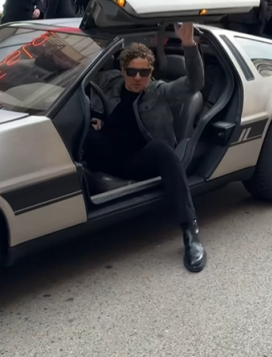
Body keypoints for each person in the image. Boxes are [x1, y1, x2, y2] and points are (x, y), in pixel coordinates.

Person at [86, 23, 206, 272]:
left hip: (138, 160)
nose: (138, 77)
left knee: (162, 150)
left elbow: (194, 83)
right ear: (123, 71)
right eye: (132, 72)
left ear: (151, 72)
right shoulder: (110, 81)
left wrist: (189, 44)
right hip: (108, 155)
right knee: (82, 131)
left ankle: (190, 231)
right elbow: (85, 83)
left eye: (144, 72)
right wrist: (95, 116)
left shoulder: (159, 91)